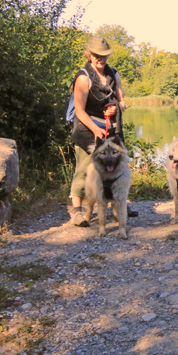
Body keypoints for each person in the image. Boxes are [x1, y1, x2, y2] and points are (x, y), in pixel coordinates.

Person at [68, 36, 137, 227]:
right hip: (87, 128)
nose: (101, 59)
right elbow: (80, 111)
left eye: (104, 56)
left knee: (118, 166)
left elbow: (122, 100)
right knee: (84, 168)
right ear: (89, 55)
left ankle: (119, 206)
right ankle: (77, 211)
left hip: (111, 129)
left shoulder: (114, 74)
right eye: (97, 55)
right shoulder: (83, 77)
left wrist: (117, 107)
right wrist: (95, 130)